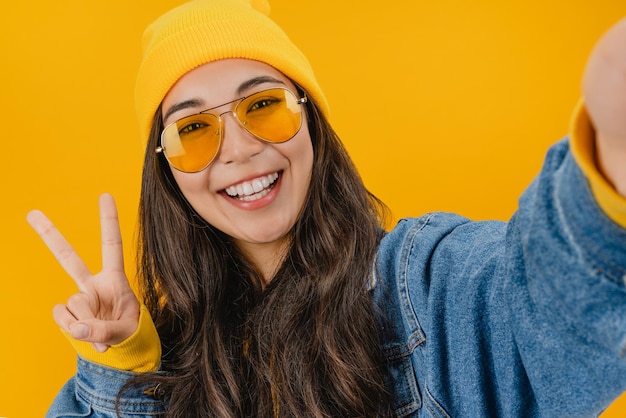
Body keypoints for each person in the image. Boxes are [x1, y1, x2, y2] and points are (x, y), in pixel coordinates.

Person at [27, 0, 626, 416]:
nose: (239, 149)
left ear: (311, 119)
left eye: (263, 105)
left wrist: (608, 170)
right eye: (194, 129)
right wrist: (126, 374)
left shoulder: (426, 286)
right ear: (165, 170)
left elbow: (549, 301)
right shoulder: (165, 360)